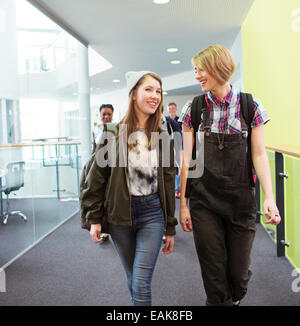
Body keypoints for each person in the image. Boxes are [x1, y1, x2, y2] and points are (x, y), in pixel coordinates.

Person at [179, 45, 281, 306]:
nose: (197, 75)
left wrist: (269, 197)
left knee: (238, 276)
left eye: (200, 69)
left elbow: (258, 155)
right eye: (196, 70)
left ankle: (232, 298)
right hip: (204, 202)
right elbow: (188, 159)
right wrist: (182, 205)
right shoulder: (194, 108)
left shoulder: (250, 105)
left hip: (241, 201)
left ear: (217, 68)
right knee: (214, 278)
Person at [81, 70, 177, 306]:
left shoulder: (161, 136)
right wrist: (94, 218)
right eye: (148, 89)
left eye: (159, 91)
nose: (155, 95)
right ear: (133, 94)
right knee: (134, 278)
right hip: (120, 215)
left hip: (152, 213)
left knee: (141, 281)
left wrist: (170, 226)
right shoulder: (112, 133)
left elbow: (167, 181)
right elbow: (96, 180)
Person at [92, 103, 114, 242]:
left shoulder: (116, 129)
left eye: (109, 114)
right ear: (100, 116)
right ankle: (104, 228)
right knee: (101, 197)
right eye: (103, 114)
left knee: (111, 198)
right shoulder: (95, 130)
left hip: (113, 167)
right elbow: (94, 149)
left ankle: (111, 227)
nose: (106, 117)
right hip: (100, 168)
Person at [167, 102, 182, 198]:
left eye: (173, 108)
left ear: (175, 109)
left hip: (178, 146)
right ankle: (170, 188)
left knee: (178, 167)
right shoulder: (165, 120)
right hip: (168, 146)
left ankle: (177, 189)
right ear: (168, 110)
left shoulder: (179, 120)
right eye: (170, 109)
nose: (171, 110)